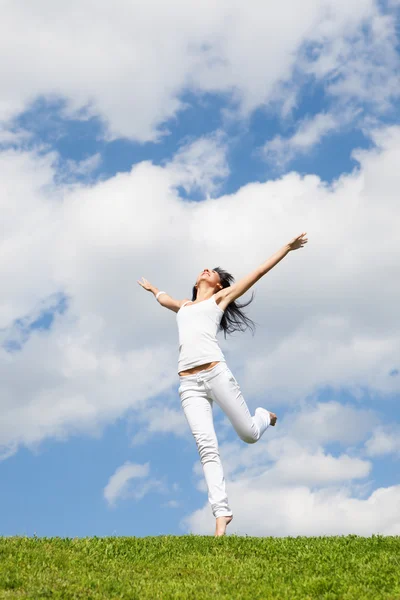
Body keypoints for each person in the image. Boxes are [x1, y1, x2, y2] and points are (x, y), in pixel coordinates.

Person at [138, 232, 308, 536]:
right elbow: (164, 299)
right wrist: (153, 289)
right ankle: (221, 515)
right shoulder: (184, 306)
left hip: (216, 374)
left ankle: (264, 416)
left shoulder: (220, 299)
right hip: (188, 384)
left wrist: (287, 248)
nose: (207, 269)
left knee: (249, 435)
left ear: (219, 285)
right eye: (204, 269)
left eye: (213, 271)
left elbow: (257, 273)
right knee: (207, 447)